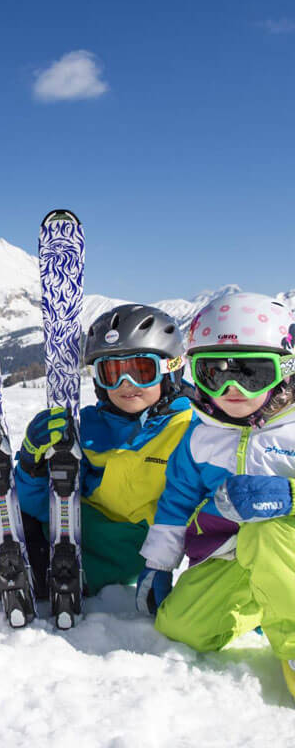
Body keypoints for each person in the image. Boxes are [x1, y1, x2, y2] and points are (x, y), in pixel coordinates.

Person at [0, 303, 194, 602]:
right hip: (57, 529)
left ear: (170, 370)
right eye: (111, 372)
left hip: (93, 566)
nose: (127, 384)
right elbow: (43, 504)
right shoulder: (90, 425)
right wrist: (32, 464)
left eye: (141, 370)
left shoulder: (189, 433)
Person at [136, 291, 295, 702]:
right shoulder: (200, 438)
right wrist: (158, 564)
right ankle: (264, 599)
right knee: (181, 628)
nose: (231, 388)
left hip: (288, 549)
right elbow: (177, 502)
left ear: (285, 369)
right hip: (233, 557)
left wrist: (289, 494)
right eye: (213, 372)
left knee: (265, 531)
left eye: (251, 373)